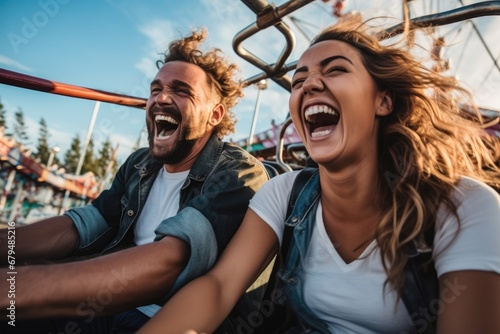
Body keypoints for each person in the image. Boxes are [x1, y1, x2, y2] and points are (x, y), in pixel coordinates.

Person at [137, 17, 500, 334]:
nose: (309, 85)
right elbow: (218, 288)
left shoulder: (464, 207)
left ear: (383, 101)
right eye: (299, 81)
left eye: (335, 69)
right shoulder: (285, 194)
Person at [0, 28, 269, 333]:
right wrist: (6, 245)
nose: (161, 98)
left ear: (215, 114)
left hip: (163, 318)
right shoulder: (140, 163)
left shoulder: (237, 172)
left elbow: (172, 259)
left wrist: (18, 287)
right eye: (155, 89)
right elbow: (85, 223)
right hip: (108, 303)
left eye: (181, 91)